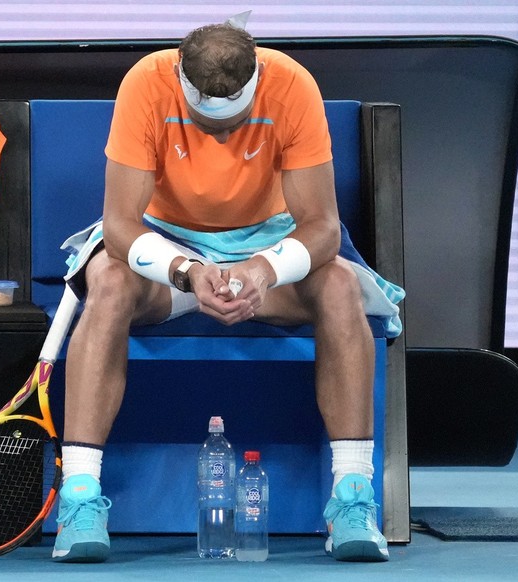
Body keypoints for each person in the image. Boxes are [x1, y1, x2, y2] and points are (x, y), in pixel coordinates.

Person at [51, 14, 404, 564]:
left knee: (337, 286)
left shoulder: (292, 85)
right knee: (110, 282)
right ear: (181, 79)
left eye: (232, 123)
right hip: (166, 247)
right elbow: (121, 227)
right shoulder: (146, 82)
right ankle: (79, 496)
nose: (218, 136)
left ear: (257, 80)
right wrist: (189, 272)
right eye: (205, 122)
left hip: (266, 248)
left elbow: (323, 228)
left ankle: (353, 498)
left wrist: (262, 270)